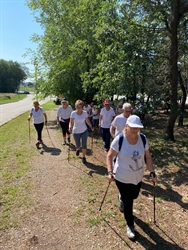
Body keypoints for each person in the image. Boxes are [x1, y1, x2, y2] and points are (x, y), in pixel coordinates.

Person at [106, 115, 157, 240]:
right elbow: (109, 156)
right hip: (122, 177)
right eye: (133, 128)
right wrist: (110, 171)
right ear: (126, 126)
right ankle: (130, 225)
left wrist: (152, 171)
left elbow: (148, 157)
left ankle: (121, 198)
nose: (135, 130)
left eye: (137, 128)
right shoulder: (120, 139)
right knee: (129, 202)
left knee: (134, 195)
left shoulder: (143, 139)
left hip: (137, 176)